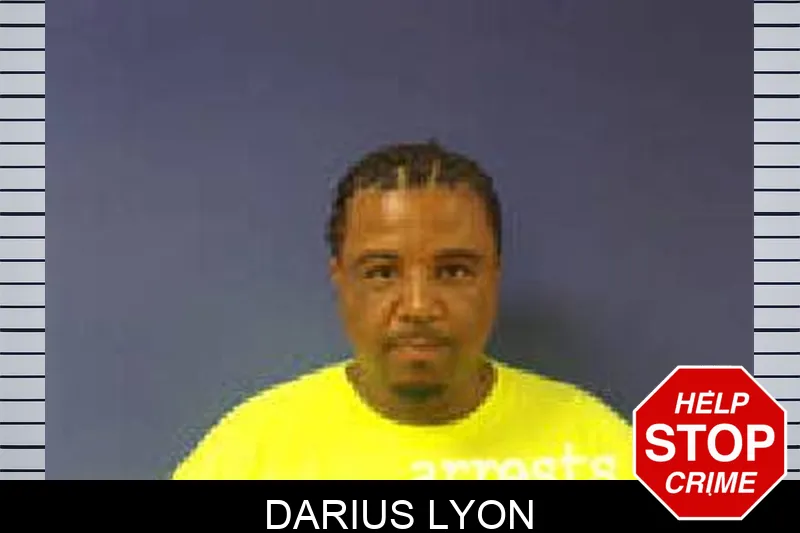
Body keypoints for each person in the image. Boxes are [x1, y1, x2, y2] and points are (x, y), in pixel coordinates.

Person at [172, 141, 634, 480]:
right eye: (382, 272)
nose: (418, 306)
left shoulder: (595, 447)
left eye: (453, 271)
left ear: (494, 277)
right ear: (341, 280)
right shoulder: (250, 455)